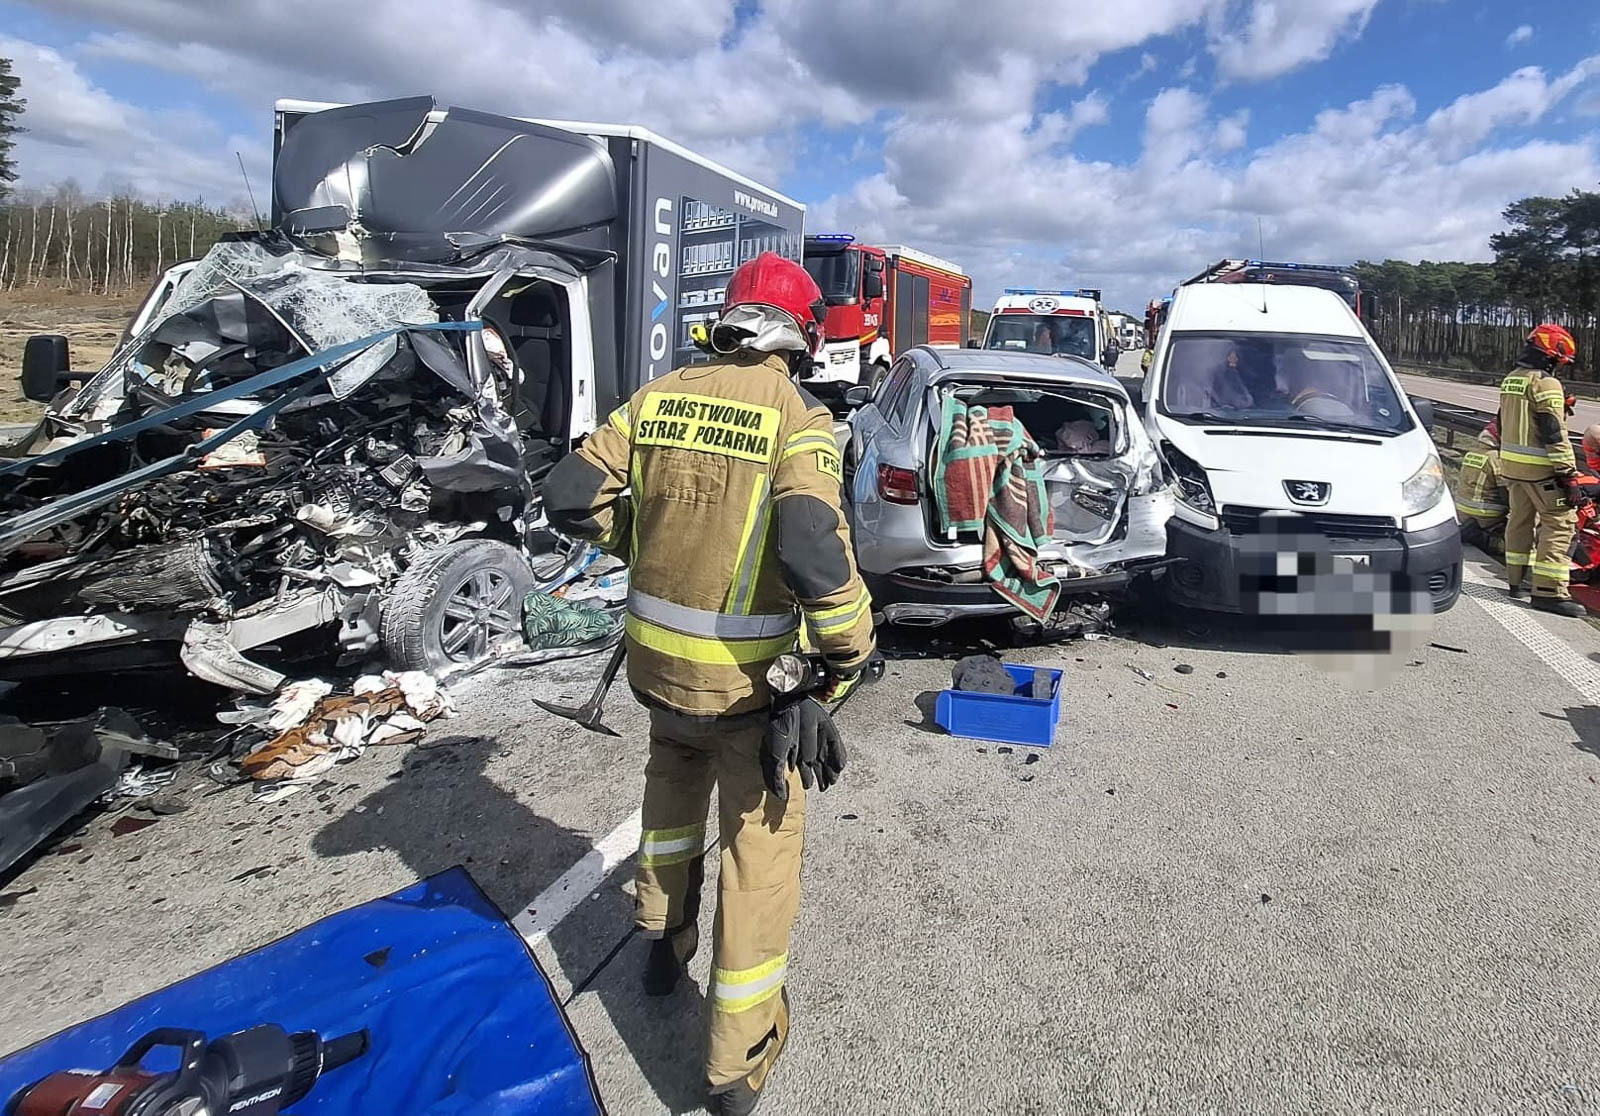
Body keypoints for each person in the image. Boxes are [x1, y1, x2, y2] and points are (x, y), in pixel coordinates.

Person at [542, 252, 876, 1115]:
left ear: (727, 321)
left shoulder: (656, 397)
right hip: (751, 694)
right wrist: (848, 652)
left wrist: (637, 547)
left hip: (657, 676)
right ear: (800, 336)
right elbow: (809, 547)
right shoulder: (801, 419)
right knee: (758, 858)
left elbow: (571, 495)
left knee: (669, 804)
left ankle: (661, 946)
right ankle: (735, 1064)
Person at [1497, 322, 1583, 615]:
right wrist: (1568, 474)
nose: (1560, 366)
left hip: (1513, 469)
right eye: (1560, 360)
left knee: (1520, 522)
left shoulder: (1512, 379)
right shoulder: (1546, 383)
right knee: (1560, 524)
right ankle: (1549, 592)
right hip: (1541, 471)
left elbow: (1508, 421)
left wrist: (1562, 405)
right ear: (1551, 354)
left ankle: (1515, 581)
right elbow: (1552, 432)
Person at [1456, 420, 1508, 555]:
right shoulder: (1496, 458)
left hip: (1462, 511)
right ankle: (1481, 538)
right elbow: (1506, 494)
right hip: (1486, 514)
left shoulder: (1472, 452)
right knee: (1511, 544)